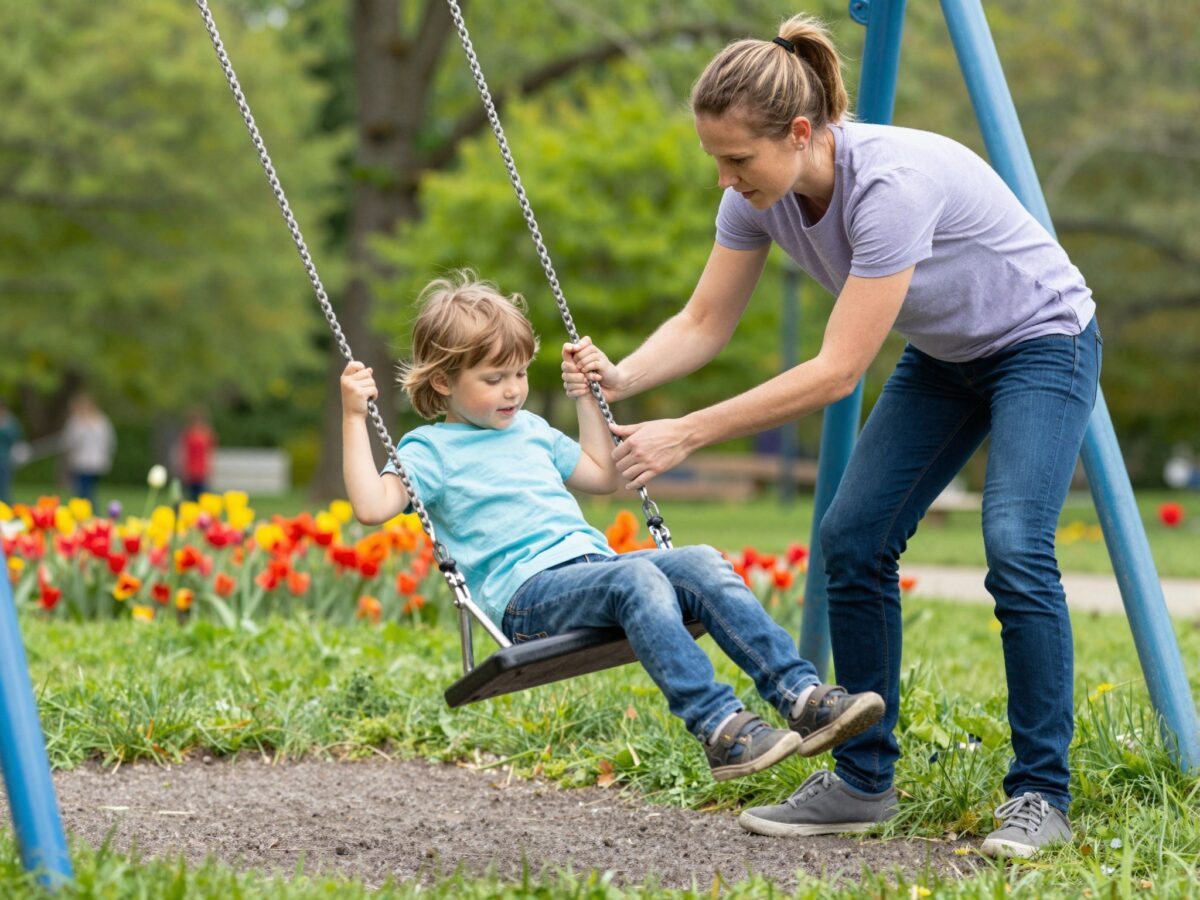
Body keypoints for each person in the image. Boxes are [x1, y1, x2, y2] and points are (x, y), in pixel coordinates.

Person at [562, 15, 1100, 857]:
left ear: (802, 133)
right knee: (852, 540)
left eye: (738, 159)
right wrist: (624, 376)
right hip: (949, 354)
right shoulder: (756, 199)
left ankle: (1041, 795)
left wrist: (687, 432)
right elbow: (705, 321)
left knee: (1016, 545)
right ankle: (863, 781)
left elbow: (837, 372)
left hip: (1042, 340)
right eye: (717, 159)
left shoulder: (892, 186)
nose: (727, 178)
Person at [340, 270, 883, 783]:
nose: (513, 390)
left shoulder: (530, 429)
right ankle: (720, 728)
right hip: (526, 597)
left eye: (521, 374)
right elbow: (371, 505)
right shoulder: (429, 450)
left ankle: (802, 697)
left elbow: (601, 475)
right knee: (637, 581)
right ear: (443, 380)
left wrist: (585, 396)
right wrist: (352, 417)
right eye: (494, 378)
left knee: (701, 561)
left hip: (591, 572)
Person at [61, 393, 117, 506]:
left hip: (89, 462)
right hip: (83, 461)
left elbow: (108, 441)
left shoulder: (99, 421)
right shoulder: (78, 421)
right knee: (86, 490)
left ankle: (87, 512)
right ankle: (87, 511)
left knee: (85, 491)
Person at [178, 408, 218, 501]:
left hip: (202, 470)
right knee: (191, 497)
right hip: (191, 470)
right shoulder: (188, 433)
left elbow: (210, 452)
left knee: (202, 497)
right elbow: (184, 451)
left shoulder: (207, 433)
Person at [0, 399, 24, 504]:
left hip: (5, 458)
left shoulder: (10, 421)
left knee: (4, 485)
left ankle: (5, 506)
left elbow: (16, 437)